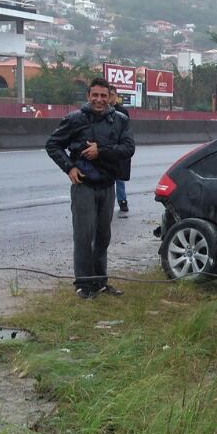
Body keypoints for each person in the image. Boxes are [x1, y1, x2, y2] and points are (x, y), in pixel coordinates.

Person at [45, 78, 136, 299]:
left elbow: (128, 148)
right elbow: (53, 144)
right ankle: (84, 285)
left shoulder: (121, 120)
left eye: (103, 96)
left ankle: (100, 282)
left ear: (110, 97)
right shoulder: (75, 119)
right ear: (88, 96)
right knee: (84, 236)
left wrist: (101, 151)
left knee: (103, 236)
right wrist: (69, 168)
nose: (99, 100)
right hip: (83, 185)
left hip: (107, 184)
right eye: (95, 95)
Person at [107, 84, 131, 216]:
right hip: (106, 149)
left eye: (111, 94)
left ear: (115, 96)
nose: (109, 97)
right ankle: (107, 203)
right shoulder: (101, 111)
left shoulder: (122, 112)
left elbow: (127, 132)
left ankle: (122, 201)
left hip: (119, 149)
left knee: (119, 177)